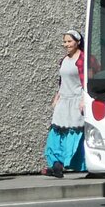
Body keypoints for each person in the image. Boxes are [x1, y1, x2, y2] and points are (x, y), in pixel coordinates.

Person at [44, 30, 90, 178]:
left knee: (74, 132)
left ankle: (82, 164)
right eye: (65, 42)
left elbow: (86, 82)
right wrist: (57, 96)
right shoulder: (64, 60)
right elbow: (62, 81)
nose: (66, 44)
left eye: (69, 41)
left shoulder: (83, 60)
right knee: (56, 131)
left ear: (77, 42)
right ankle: (56, 164)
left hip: (76, 100)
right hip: (64, 100)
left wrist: (84, 99)